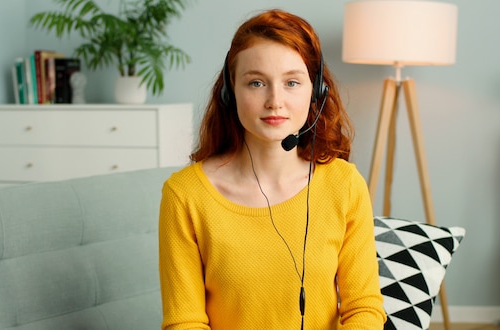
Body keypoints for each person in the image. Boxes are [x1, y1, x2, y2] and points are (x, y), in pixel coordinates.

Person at [158, 8, 386, 329]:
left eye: (292, 82)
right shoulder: (184, 195)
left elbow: (363, 308)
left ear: (316, 91)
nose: (275, 100)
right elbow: (184, 321)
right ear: (230, 91)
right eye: (256, 83)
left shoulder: (344, 184)